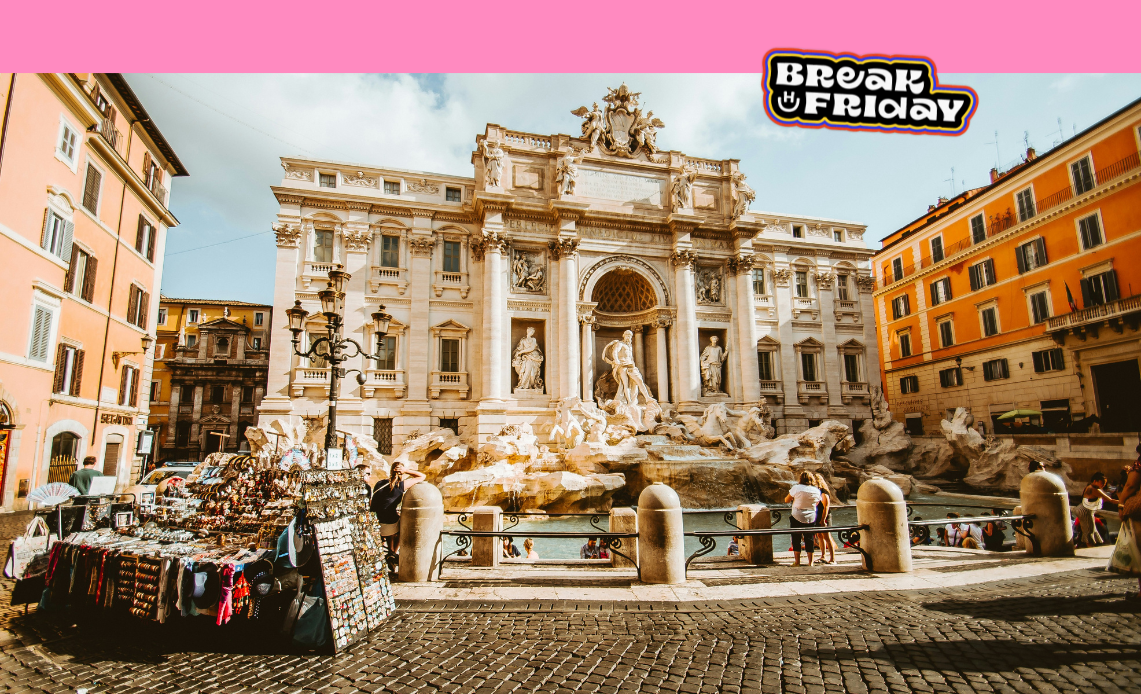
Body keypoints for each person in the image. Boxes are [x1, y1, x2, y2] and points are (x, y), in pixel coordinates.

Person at [369, 462, 426, 554]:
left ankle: (390, 550)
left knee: (393, 518)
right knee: (404, 526)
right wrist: (406, 471)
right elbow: (422, 476)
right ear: (401, 472)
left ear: (391, 470)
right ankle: (393, 552)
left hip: (376, 521)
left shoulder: (379, 483)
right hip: (388, 523)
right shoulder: (400, 485)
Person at [1111, 445, 1141, 597]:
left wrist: (1121, 505)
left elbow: (1130, 486)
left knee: (1139, 549)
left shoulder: (1139, 466)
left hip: (1139, 512)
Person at [784, 471, 821, 566]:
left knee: (796, 538)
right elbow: (817, 503)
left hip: (797, 515)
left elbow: (786, 500)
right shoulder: (816, 490)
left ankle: (797, 562)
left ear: (800, 478)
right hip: (811, 516)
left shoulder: (796, 488)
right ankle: (811, 562)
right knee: (809, 539)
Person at [1077, 472, 1115, 547]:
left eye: (1104, 483)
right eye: (1102, 483)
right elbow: (1110, 500)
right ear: (1095, 481)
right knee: (1089, 533)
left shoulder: (1091, 488)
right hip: (1086, 513)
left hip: (1086, 513)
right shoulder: (1093, 489)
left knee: (1092, 532)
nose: (1103, 485)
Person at [812, 472, 837, 565]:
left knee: (827, 537)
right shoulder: (818, 492)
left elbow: (826, 507)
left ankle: (833, 558)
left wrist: (823, 519)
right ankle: (823, 556)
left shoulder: (823, 492)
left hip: (824, 517)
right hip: (818, 516)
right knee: (820, 536)